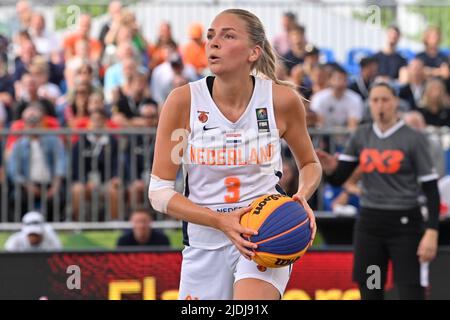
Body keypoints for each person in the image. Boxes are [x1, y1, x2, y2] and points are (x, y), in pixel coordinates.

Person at [148, 9, 321, 300]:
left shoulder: (281, 100)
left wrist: (302, 195)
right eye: (211, 36)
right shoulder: (183, 101)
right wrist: (219, 220)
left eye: (228, 36)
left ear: (253, 52)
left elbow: (309, 163)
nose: (214, 43)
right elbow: (159, 192)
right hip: (205, 242)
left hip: (263, 235)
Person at [316, 81, 440, 300]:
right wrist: (328, 170)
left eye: (385, 99)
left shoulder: (413, 138)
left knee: (410, 290)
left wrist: (431, 231)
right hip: (371, 226)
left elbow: (431, 189)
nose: (380, 105)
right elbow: (339, 178)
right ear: (369, 104)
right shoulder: (361, 135)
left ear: (395, 103)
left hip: (405, 225)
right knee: (372, 289)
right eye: (375, 100)